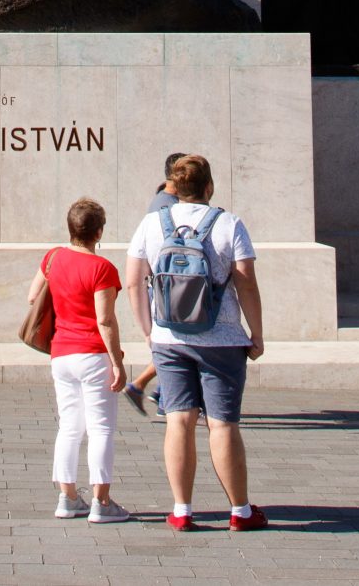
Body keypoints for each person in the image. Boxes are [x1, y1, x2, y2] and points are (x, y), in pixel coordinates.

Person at [126, 154, 267, 532]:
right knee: (221, 426)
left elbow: (132, 280)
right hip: (221, 340)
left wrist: (148, 330)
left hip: (168, 338)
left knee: (179, 421)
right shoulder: (229, 224)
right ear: (209, 187)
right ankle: (240, 511)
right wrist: (256, 333)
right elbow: (246, 283)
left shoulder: (152, 224)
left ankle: (182, 510)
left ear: (173, 188)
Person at [39, 199, 131, 524]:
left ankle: (67, 497)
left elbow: (33, 296)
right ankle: (101, 502)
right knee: (100, 427)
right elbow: (105, 321)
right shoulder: (102, 268)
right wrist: (117, 362)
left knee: (69, 426)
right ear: (99, 231)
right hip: (93, 353)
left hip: (61, 353)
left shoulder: (52, 258)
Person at [124, 154, 185, 419]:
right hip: (168, 288)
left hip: (169, 288)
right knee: (175, 346)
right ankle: (146, 389)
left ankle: (157, 392)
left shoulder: (165, 201)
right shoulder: (166, 207)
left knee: (174, 346)